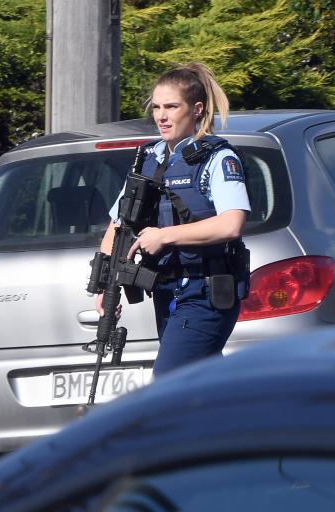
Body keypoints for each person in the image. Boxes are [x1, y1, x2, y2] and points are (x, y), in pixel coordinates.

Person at [96, 62, 250, 376]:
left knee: (168, 383)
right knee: (202, 387)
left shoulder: (217, 158)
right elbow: (118, 224)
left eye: (171, 106)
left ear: (196, 109)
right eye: (156, 107)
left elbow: (231, 224)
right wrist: (105, 286)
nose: (161, 116)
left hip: (205, 293)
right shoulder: (150, 159)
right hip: (166, 291)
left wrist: (165, 236)